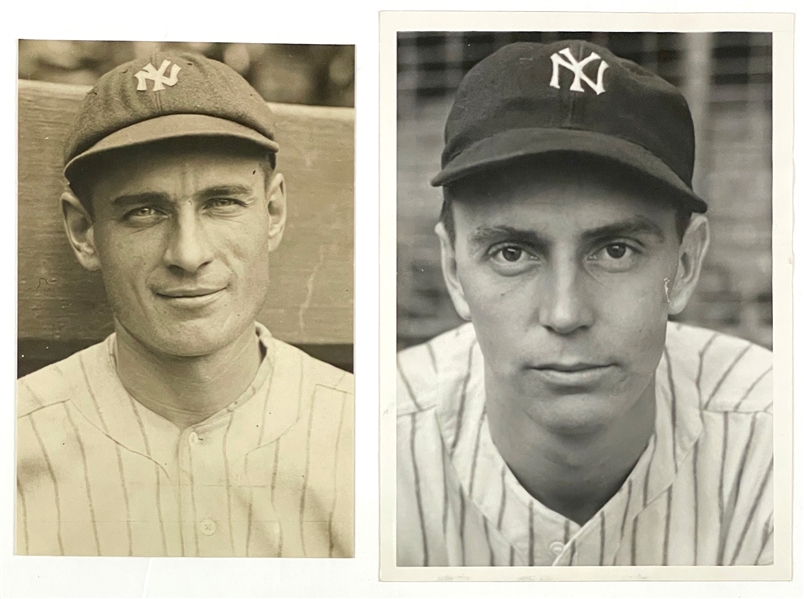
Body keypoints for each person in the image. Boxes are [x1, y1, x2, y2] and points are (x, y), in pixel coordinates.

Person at [397, 40, 773, 567]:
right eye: (512, 252)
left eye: (615, 251)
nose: (566, 313)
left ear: (684, 265)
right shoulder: (371, 443)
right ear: (454, 269)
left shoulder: (777, 436)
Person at [16, 51, 354, 557]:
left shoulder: (373, 436)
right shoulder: (17, 442)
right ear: (85, 232)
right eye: (144, 211)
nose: (188, 254)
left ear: (274, 212)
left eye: (222, 203)